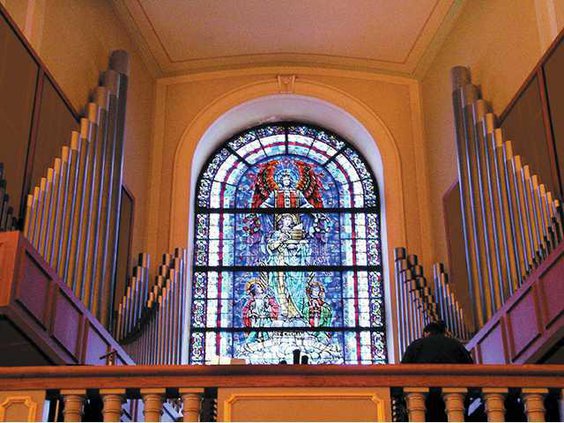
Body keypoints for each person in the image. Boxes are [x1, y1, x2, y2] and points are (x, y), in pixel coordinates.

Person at [401, 321, 473, 364]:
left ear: (427, 333)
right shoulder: (456, 344)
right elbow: (469, 365)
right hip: (454, 386)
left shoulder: (416, 345)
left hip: (423, 385)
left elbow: (404, 368)